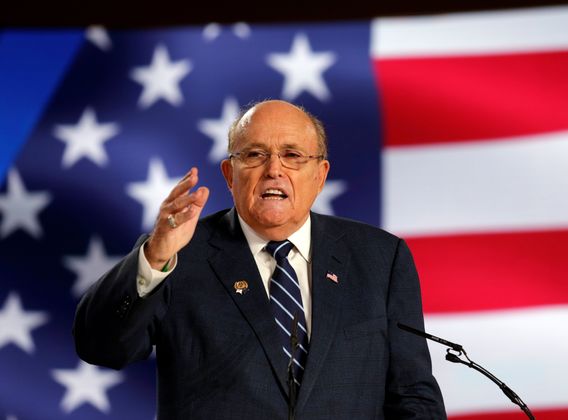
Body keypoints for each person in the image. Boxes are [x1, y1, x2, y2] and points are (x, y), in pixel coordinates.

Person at [73, 100, 446, 419]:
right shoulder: (176, 254)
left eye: (292, 155)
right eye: (254, 154)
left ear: (320, 175)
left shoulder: (380, 258)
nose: (274, 169)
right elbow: (101, 347)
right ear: (229, 174)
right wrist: (155, 256)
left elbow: (412, 394)